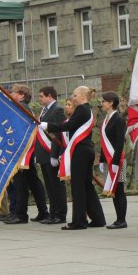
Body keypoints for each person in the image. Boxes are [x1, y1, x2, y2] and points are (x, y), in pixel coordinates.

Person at [41, 86, 106, 230]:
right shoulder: (86, 109)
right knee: (87, 186)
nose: (73, 97)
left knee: (78, 187)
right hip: (85, 150)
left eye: (75, 94)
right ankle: (98, 218)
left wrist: (47, 125)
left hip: (81, 151)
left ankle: (79, 221)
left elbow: (70, 125)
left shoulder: (82, 109)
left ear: (83, 96)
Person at [4, 84, 49, 225]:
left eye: (13, 92)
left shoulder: (20, 107)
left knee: (21, 184)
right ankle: (43, 211)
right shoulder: (20, 107)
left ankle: (21, 214)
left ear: (22, 95)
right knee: (33, 181)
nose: (11, 94)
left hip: (22, 152)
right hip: (25, 151)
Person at [35, 86, 68, 225]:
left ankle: (60, 214)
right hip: (44, 153)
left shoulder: (57, 110)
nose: (40, 98)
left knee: (56, 186)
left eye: (42, 96)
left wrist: (56, 154)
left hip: (52, 153)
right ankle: (52, 213)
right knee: (49, 186)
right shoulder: (44, 110)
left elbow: (59, 133)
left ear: (50, 96)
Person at [99, 91, 128, 229]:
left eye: (104, 101)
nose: (101, 103)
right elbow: (104, 142)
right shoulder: (106, 119)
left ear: (111, 103)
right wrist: (101, 160)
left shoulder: (118, 119)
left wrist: (116, 162)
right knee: (114, 190)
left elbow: (119, 142)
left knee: (119, 189)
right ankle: (118, 219)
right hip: (108, 160)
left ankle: (121, 220)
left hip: (117, 161)